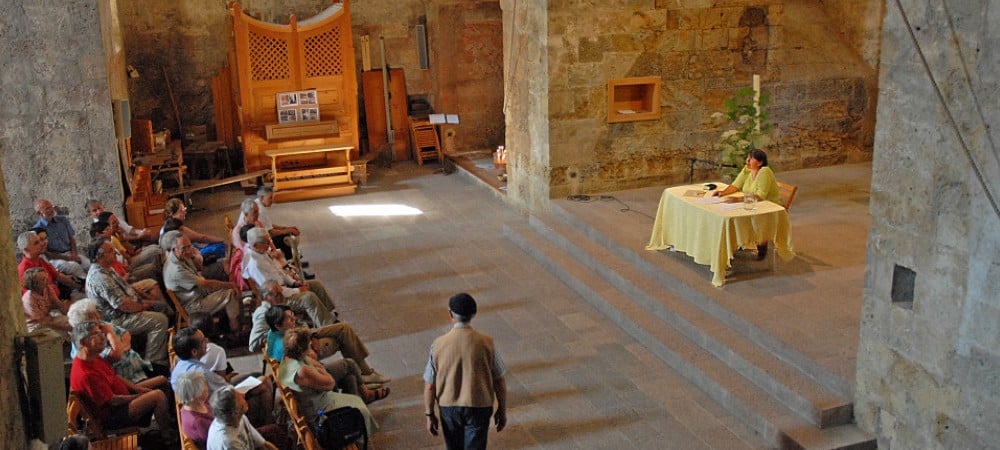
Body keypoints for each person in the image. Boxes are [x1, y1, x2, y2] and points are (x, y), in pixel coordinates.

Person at [250, 280, 390, 387]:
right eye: (277, 294)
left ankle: (365, 372)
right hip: (300, 345)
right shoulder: (263, 314)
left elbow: (292, 326)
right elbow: (253, 344)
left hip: (303, 335)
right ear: (266, 298)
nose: (282, 296)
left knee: (343, 328)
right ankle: (364, 374)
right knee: (341, 335)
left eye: (281, 292)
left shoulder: (276, 307)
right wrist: (278, 336)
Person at [424, 293, 507, 450]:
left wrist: (429, 414)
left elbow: (430, 385)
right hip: (479, 405)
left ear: (450, 314)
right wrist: (502, 410)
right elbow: (499, 380)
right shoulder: (487, 342)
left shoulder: (438, 344)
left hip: (449, 407)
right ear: (473, 314)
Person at [264, 305, 389, 403]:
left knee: (349, 376)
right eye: (290, 319)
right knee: (349, 363)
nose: (294, 320)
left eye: (293, 316)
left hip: (307, 368)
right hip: (311, 381)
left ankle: (357, 403)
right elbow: (314, 361)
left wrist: (309, 339)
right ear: (278, 325)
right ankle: (365, 390)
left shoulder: (274, 333)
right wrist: (312, 351)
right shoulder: (285, 346)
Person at [69, 321, 173, 434]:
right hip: (113, 414)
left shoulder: (92, 356)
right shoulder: (86, 374)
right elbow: (113, 401)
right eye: (96, 334)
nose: (103, 337)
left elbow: (114, 375)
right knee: (157, 395)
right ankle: (167, 434)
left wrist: (136, 388)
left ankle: (169, 417)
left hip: (122, 396)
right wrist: (138, 396)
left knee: (162, 380)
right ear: (83, 342)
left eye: (101, 333)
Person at [86, 237, 171, 368]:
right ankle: (155, 363)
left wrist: (144, 300)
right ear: (100, 256)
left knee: (162, 306)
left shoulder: (107, 269)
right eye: (111, 251)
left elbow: (126, 290)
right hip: (117, 319)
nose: (115, 253)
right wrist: (142, 306)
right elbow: (123, 305)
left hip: (127, 309)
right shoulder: (100, 277)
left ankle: (162, 346)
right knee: (160, 320)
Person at [277, 328, 378, 438]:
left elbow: (314, 362)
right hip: (319, 410)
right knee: (360, 409)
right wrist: (321, 369)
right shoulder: (303, 371)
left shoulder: (288, 358)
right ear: (302, 349)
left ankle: (357, 428)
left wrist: (318, 367)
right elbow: (330, 383)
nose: (310, 347)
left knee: (350, 378)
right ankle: (357, 432)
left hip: (313, 399)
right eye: (309, 345)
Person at [171, 327, 275, 427]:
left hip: (209, 402)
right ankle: (267, 425)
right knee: (264, 382)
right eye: (203, 341)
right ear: (194, 352)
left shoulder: (178, 366)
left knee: (257, 378)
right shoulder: (200, 373)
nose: (207, 342)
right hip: (221, 411)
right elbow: (228, 391)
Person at [176, 371, 285, 450]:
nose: (207, 388)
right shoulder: (201, 424)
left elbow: (261, 442)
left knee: (275, 430)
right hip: (232, 432)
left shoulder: (201, 404)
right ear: (196, 395)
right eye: (204, 387)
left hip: (232, 423)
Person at [67, 298, 167, 385]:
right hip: (129, 378)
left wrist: (121, 347)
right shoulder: (89, 342)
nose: (99, 316)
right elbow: (116, 356)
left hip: (138, 365)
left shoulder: (100, 324)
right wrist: (110, 334)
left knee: (169, 371)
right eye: (94, 315)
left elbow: (125, 333)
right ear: (86, 322)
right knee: (166, 382)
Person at [243, 227, 337, 319]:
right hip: (279, 298)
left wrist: (293, 283)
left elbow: (278, 272)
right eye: (266, 242)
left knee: (315, 285)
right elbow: (274, 290)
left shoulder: (261, 252)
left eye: (269, 241)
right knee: (309, 297)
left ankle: (329, 313)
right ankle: (327, 324)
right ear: (255, 245)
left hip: (284, 288)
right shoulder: (256, 265)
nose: (269, 245)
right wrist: (298, 290)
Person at [162, 230, 242, 332]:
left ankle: (233, 323)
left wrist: (193, 257)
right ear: (174, 249)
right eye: (184, 248)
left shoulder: (181, 256)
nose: (188, 250)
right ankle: (236, 330)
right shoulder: (176, 270)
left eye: (189, 246)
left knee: (225, 285)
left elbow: (200, 270)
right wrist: (231, 285)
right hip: (194, 305)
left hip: (199, 292)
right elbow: (205, 283)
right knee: (231, 292)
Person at [712, 149, 781, 259]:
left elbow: (760, 196)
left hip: (766, 208)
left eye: (751, 159)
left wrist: (737, 199)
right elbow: (736, 185)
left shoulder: (764, 172)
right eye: (747, 158)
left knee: (736, 214)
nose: (747, 161)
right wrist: (722, 193)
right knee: (729, 214)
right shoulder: (747, 169)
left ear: (760, 162)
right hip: (750, 203)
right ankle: (738, 241)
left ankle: (761, 245)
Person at [33, 198, 90, 279]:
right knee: (74, 267)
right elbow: (45, 252)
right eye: (47, 209)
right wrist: (67, 258)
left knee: (88, 264)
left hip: (70, 253)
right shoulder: (38, 229)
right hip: (54, 258)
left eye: (51, 207)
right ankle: (84, 285)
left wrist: (74, 254)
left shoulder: (62, 220)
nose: (51, 210)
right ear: (39, 213)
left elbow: (72, 239)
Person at [17, 230, 81, 298]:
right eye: (36, 243)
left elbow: (58, 276)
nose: (42, 244)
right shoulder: (24, 270)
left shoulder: (40, 260)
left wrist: (80, 287)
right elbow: (33, 297)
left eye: (40, 241)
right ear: (26, 249)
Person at [206, 385, 273, 450]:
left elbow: (262, 443)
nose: (243, 395)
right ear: (235, 412)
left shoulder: (239, 417)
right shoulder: (229, 443)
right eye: (240, 397)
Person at [21, 267, 72, 340]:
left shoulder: (47, 288)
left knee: (71, 322)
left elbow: (59, 304)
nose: (47, 280)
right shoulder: (29, 298)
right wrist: (63, 327)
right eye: (43, 279)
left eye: (46, 277)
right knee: (62, 333)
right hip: (36, 326)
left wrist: (70, 316)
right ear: (34, 283)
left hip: (48, 318)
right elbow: (42, 321)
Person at [255, 185, 300, 260]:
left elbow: (268, 225)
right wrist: (289, 230)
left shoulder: (258, 203)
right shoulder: (260, 211)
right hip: (259, 241)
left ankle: (294, 258)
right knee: (285, 237)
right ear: (262, 198)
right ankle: (291, 261)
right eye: (270, 198)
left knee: (286, 233)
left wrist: (285, 228)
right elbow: (271, 232)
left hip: (259, 235)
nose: (272, 200)